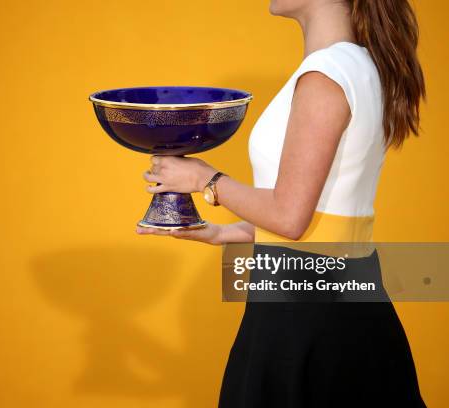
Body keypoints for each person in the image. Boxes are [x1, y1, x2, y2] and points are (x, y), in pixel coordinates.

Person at [137, 0, 426, 406]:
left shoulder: (325, 76)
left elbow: (290, 216)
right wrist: (224, 234)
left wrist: (206, 179)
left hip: (305, 311)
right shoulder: (359, 66)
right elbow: (329, 215)